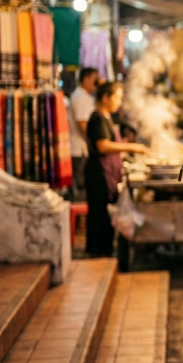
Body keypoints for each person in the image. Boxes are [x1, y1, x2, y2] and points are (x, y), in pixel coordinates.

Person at [84, 82, 148, 258]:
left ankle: (102, 251)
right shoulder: (97, 118)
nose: (119, 102)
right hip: (99, 175)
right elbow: (103, 146)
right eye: (117, 97)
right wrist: (132, 147)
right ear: (105, 97)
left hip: (106, 174)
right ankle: (98, 254)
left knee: (104, 215)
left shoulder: (105, 118)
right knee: (99, 216)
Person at [69, 67, 99, 199]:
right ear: (86, 79)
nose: (97, 82)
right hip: (79, 148)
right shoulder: (80, 97)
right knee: (80, 185)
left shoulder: (84, 96)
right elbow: (83, 124)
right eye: (95, 79)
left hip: (81, 148)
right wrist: (95, 142)